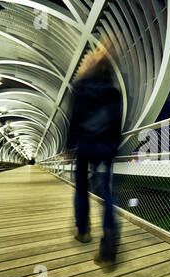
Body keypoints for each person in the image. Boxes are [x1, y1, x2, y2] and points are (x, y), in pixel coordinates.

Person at [65, 43, 122, 265]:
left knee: (81, 189)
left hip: (86, 145)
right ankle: (108, 245)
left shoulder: (81, 86)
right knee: (107, 193)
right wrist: (113, 147)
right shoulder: (113, 91)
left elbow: (74, 119)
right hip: (106, 147)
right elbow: (117, 122)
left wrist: (70, 145)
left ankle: (83, 231)